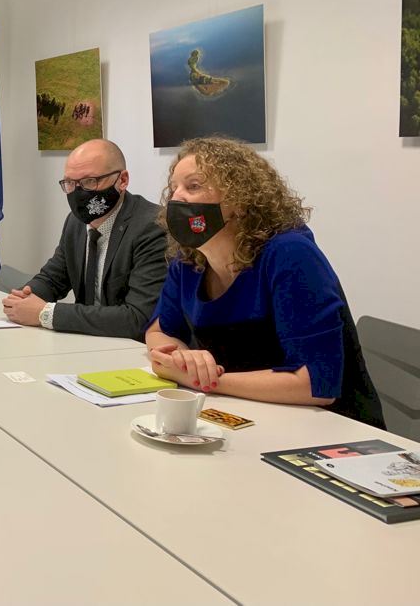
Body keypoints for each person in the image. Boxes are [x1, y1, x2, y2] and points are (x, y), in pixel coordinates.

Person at [145, 137, 384, 427]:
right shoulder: (189, 258)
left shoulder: (290, 254)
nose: (176, 198)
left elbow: (315, 384)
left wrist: (203, 380)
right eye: (173, 189)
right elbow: (159, 331)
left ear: (240, 199)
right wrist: (184, 360)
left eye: (193, 186)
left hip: (331, 428)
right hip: (246, 415)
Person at [2, 139, 167, 340]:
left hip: (130, 348)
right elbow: (53, 278)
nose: (78, 193)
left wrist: (45, 313)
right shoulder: (76, 222)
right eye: (70, 183)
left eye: (90, 181)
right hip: (86, 342)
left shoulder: (153, 227)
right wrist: (24, 298)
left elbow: (137, 318)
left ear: (122, 180)